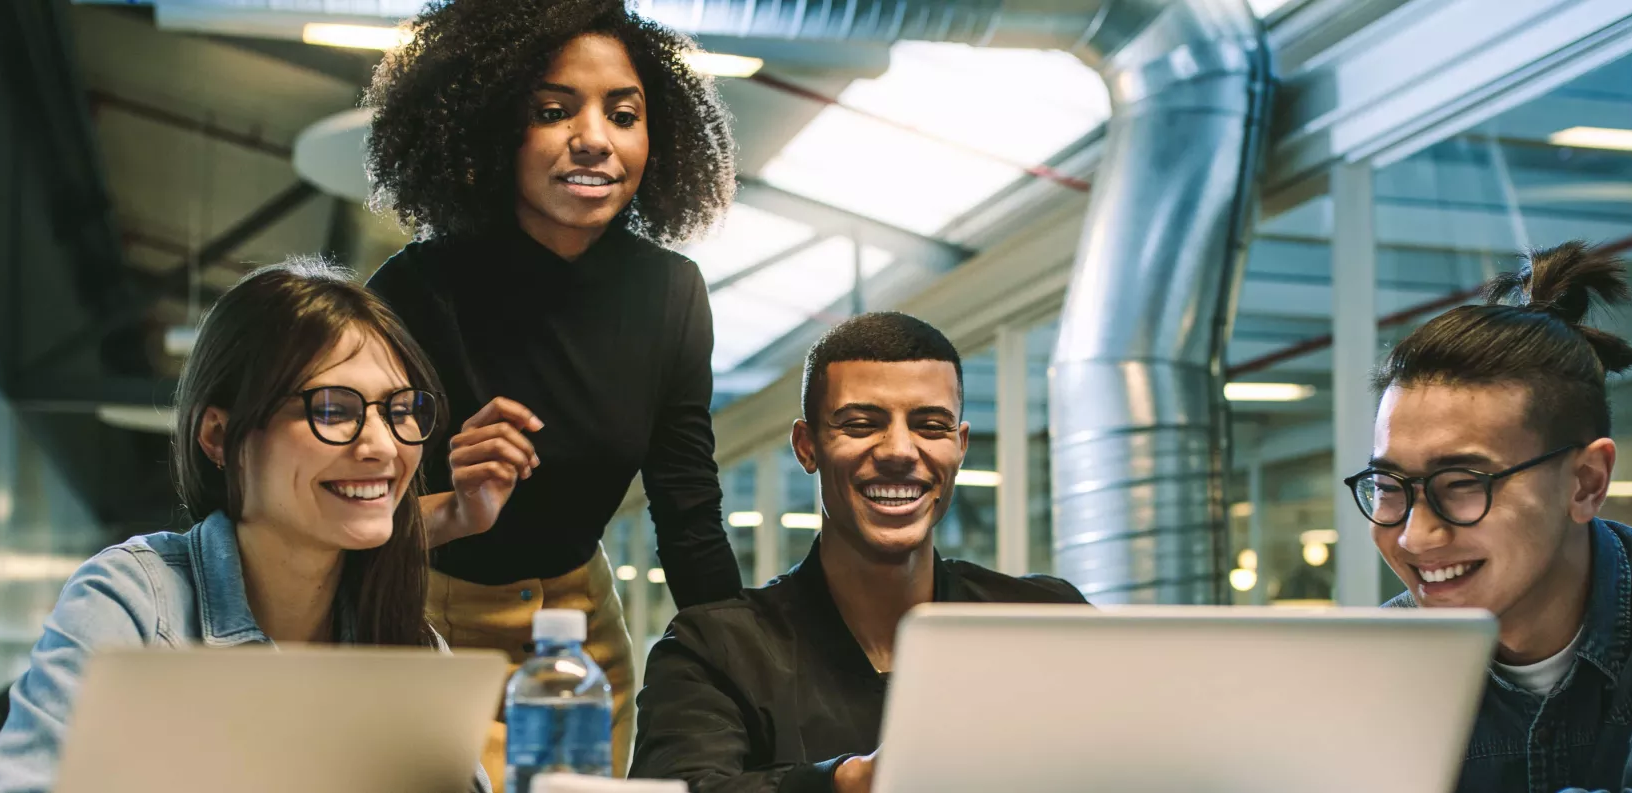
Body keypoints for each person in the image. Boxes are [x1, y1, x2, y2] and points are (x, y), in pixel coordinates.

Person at [361, 0, 740, 780]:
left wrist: (743, 669)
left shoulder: (672, 294)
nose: (594, 138)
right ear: (497, 127)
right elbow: (340, 516)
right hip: (423, 628)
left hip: (583, 646)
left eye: (623, 113)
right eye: (552, 110)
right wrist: (451, 504)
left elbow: (688, 509)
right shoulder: (415, 292)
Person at [0, 260, 493, 793]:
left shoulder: (407, 641)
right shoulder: (131, 606)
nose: (383, 446)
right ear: (220, 437)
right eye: (334, 409)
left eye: (400, 410)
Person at [1347, 242, 1632, 790]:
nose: (1416, 537)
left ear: (1586, 483)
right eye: (1388, 487)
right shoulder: (1381, 662)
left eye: (1463, 484)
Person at [629, 312, 1089, 793]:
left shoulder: (1045, 619)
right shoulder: (716, 648)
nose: (899, 451)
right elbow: (679, 789)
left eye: (931, 426)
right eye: (861, 424)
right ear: (807, 447)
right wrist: (849, 782)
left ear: (960, 445)